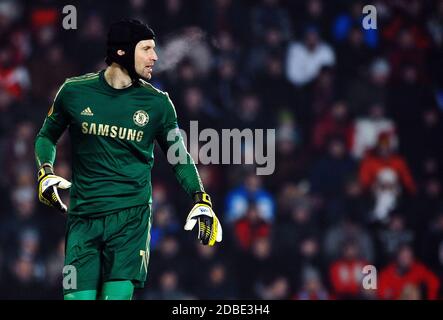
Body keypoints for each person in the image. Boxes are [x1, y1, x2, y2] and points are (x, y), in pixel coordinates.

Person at [34, 19, 222, 300]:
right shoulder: (74, 92)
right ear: (122, 52)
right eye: (147, 49)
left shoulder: (158, 104)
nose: (155, 57)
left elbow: (179, 156)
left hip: (130, 221)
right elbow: (46, 136)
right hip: (84, 216)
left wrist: (200, 198)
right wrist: (45, 172)